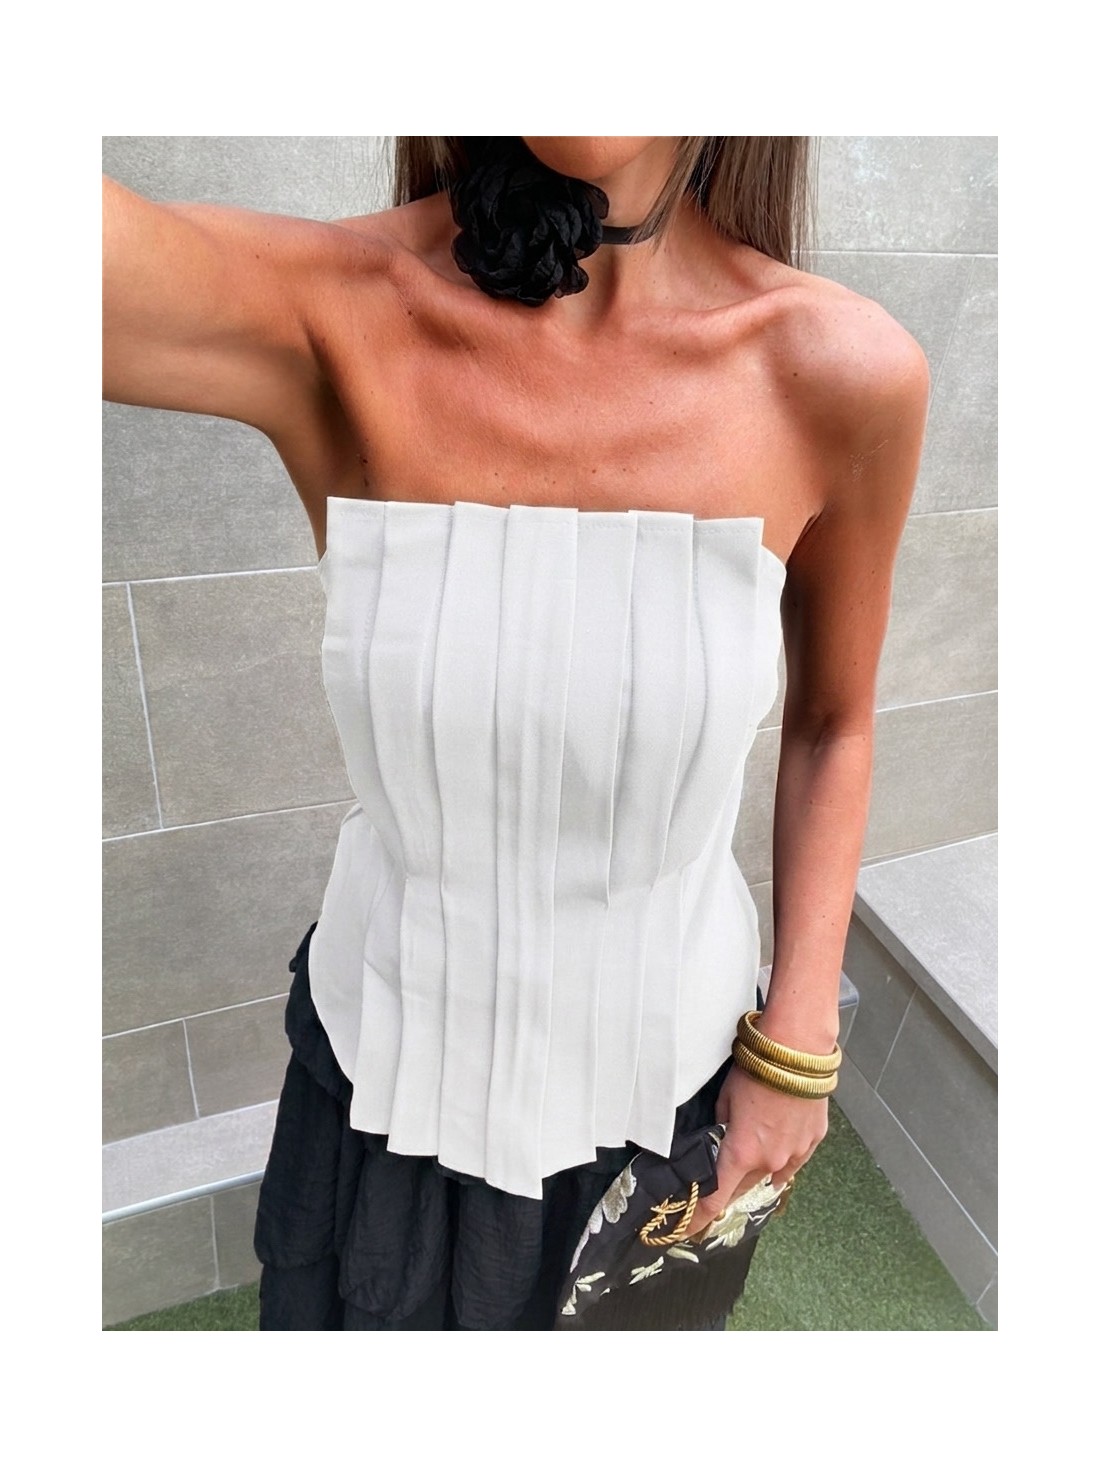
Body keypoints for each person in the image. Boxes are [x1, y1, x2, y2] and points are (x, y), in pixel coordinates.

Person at [102, 136, 930, 1331]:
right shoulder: (327, 306)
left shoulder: (840, 369)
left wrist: (796, 1044)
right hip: (369, 1085)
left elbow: (832, 723)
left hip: (664, 1106)